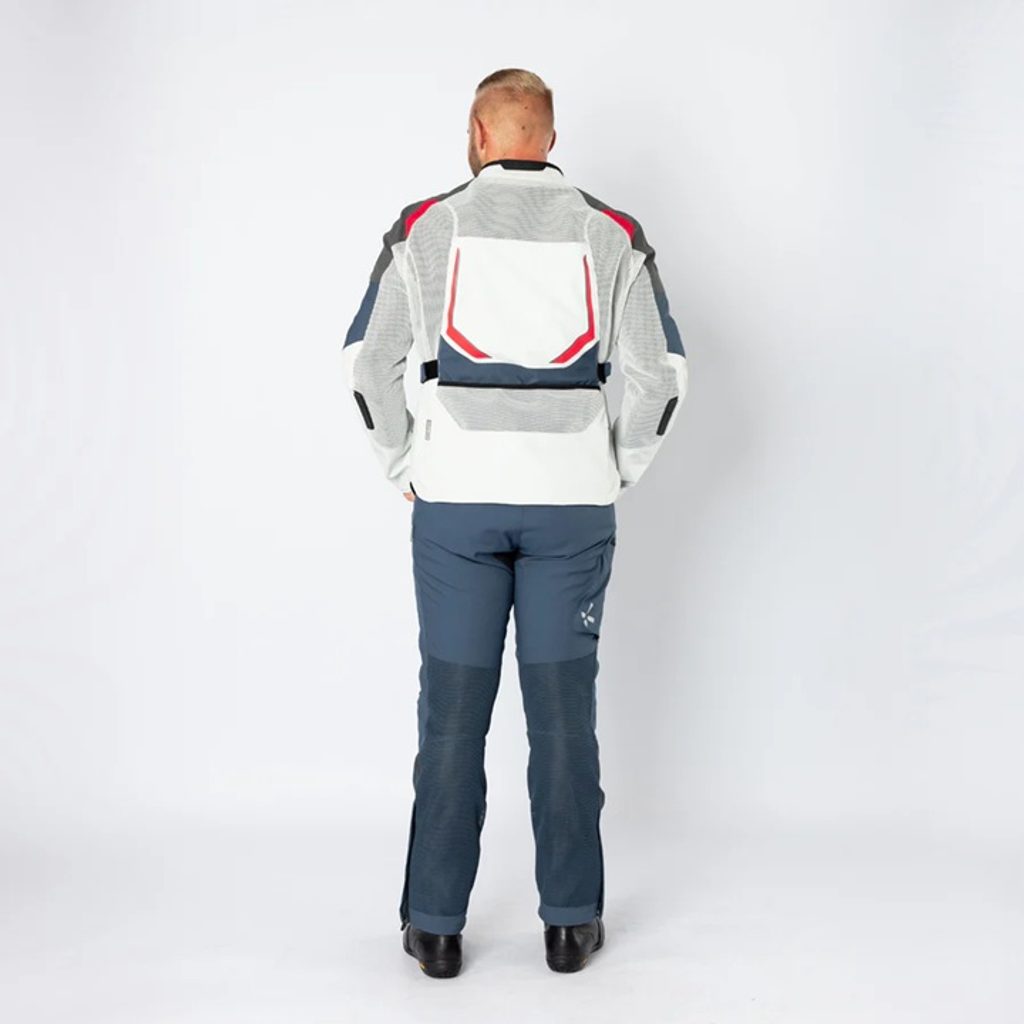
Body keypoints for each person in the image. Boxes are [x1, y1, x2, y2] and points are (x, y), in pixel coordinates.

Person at [342, 68, 688, 978]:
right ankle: (570, 925)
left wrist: (406, 463)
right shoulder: (612, 233)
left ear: (478, 134)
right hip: (571, 506)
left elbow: (367, 363)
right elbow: (661, 377)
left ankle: (435, 928)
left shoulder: (426, 226)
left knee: (453, 718)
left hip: (456, 503)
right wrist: (612, 466)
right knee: (564, 719)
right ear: (550, 139)